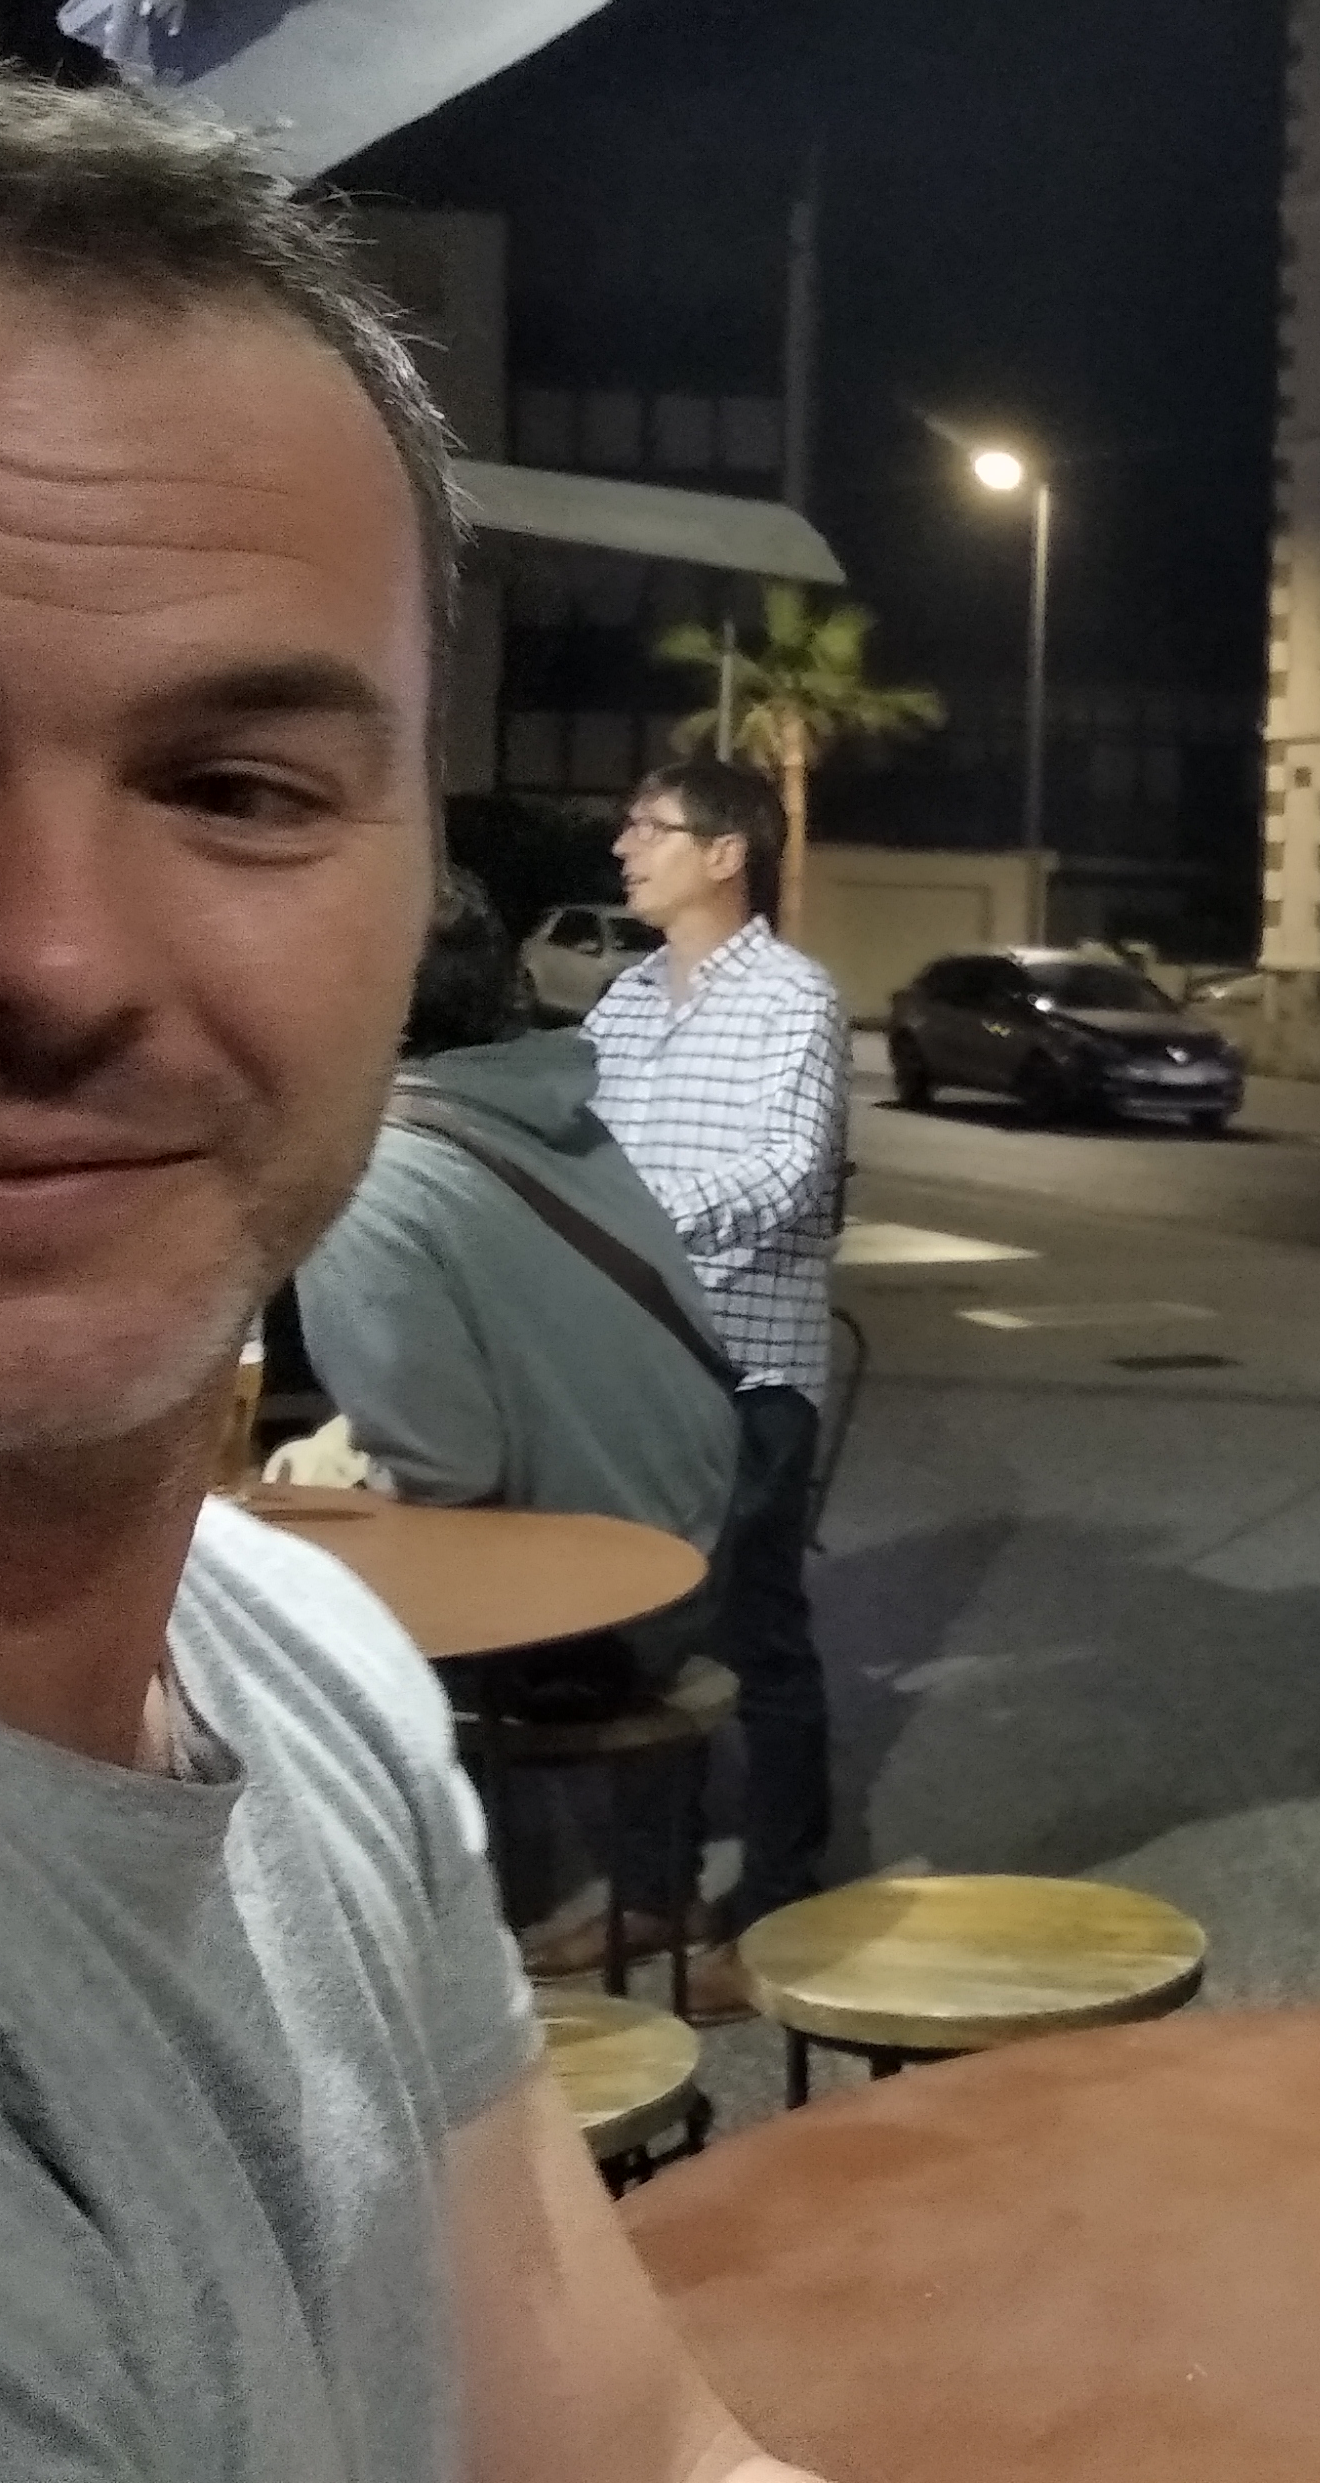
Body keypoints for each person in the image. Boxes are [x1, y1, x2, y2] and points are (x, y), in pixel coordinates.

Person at [0, 33, 818, 2477]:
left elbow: (630, 2448)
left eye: (236, 786)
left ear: (412, 884)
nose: (55, 960)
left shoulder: (301, 1662)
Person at [277, 867, 737, 1696]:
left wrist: (304, 1481)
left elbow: (445, 1475)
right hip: (693, 1559)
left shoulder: (370, 1183)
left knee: (219, 1625)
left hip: (583, 1637)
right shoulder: (543, 1111)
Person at [585, 753, 850, 2014]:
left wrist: (632, 1231)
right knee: (639, 1635)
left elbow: (790, 1169)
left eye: (651, 826)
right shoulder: (623, 1003)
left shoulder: (795, 998)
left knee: (756, 1637)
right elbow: (577, 1149)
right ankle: (653, 1890)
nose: (625, 846)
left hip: (750, 1371)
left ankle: (781, 1913)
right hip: (630, 1367)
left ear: (727, 853)